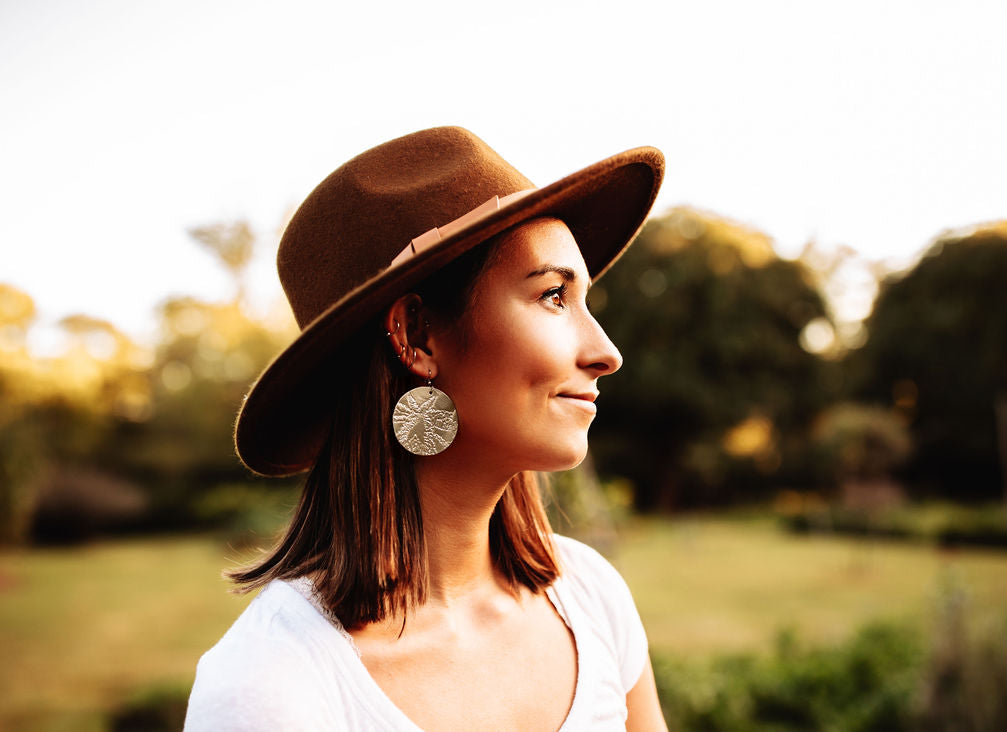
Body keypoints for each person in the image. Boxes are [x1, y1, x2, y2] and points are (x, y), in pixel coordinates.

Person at [184, 126, 667, 731]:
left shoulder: (592, 599)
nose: (606, 352)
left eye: (585, 301)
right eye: (552, 296)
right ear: (416, 334)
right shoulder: (272, 685)